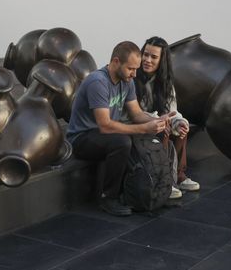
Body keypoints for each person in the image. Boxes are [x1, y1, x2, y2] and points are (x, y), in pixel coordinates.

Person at [67, 41, 170, 216]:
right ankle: (108, 197)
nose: (134, 74)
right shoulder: (97, 82)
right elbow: (105, 125)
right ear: (115, 62)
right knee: (122, 141)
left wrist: (157, 120)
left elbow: (136, 113)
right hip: (81, 138)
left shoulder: (127, 81)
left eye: (136, 69)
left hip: (103, 135)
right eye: (131, 68)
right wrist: (144, 128)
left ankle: (140, 189)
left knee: (138, 135)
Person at [135, 36, 200, 199]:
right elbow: (134, 113)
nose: (147, 60)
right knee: (164, 129)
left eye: (153, 57)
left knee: (181, 130)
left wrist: (179, 122)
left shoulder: (166, 82)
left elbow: (172, 110)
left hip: (156, 122)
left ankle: (179, 175)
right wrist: (160, 120)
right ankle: (164, 182)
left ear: (162, 60)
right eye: (145, 54)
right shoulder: (133, 77)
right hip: (139, 125)